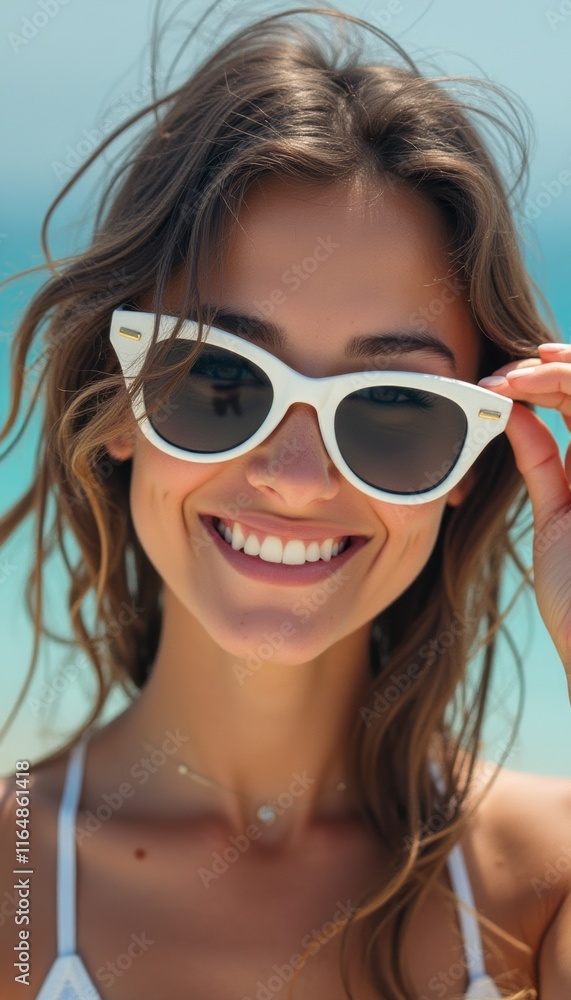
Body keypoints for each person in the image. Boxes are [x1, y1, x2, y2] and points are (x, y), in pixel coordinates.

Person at [0, 4, 570, 998]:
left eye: (394, 408)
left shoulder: (546, 886)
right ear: (119, 403)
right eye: (219, 381)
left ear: (476, 457)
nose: (297, 477)